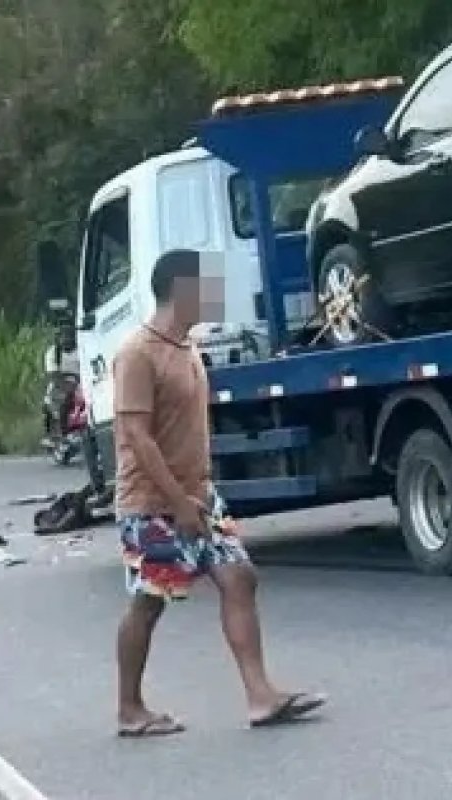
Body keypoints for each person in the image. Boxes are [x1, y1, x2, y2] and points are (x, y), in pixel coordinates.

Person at [113, 249, 327, 736]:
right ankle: (129, 708)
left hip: (201, 497)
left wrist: (198, 497)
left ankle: (260, 697)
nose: (214, 297)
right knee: (150, 599)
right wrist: (175, 502)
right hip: (152, 503)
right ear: (180, 289)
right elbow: (136, 438)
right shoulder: (137, 354)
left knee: (239, 577)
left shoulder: (188, 348)